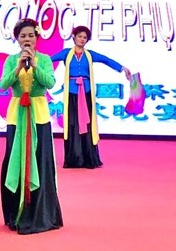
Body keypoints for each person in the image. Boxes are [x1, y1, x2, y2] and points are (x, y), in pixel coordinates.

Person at [0, 18, 63, 234]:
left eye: (31, 35)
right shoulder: (11, 60)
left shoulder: (44, 59)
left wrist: (35, 66)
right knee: (14, 160)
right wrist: (17, 68)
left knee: (40, 160)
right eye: (23, 36)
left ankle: (39, 213)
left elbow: (51, 83)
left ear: (37, 38)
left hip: (39, 114)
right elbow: (3, 84)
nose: (27, 39)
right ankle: (14, 213)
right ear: (16, 39)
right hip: (16, 116)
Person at [50, 26, 131, 169]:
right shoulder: (66, 53)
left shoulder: (89, 54)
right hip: (72, 94)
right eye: (80, 36)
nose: (82, 39)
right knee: (72, 124)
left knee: (87, 124)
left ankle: (89, 159)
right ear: (74, 37)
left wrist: (122, 68)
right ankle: (74, 158)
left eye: (85, 37)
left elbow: (106, 60)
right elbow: (49, 60)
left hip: (86, 93)